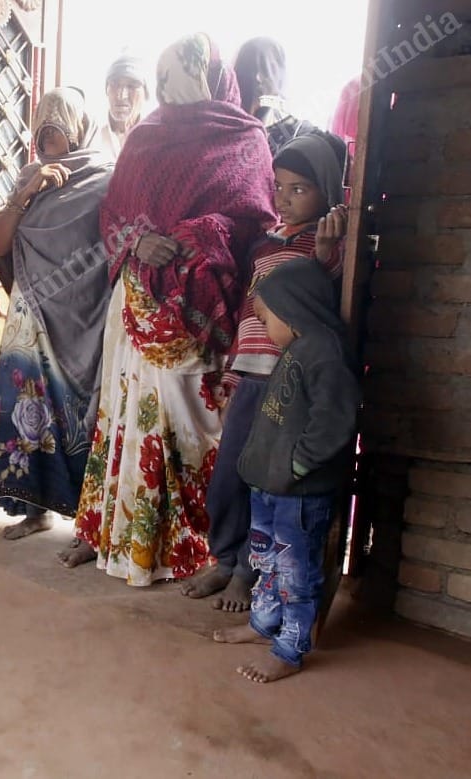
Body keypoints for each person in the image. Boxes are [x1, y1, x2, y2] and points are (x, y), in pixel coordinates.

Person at [62, 33, 277, 583]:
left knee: (189, 419)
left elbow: (256, 221)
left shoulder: (244, 138)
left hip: (199, 304)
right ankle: (113, 534)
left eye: (177, 74)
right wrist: (138, 241)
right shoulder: (145, 137)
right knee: (125, 411)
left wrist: (199, 234)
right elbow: (113, 213)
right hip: (137, 301)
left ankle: (191, 546)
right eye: (163, 76)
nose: (166, 86)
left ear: (210, 74)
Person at [181, 131, 349, 610]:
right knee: (229, 475)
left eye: (300, 188)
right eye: (279, 186)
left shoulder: (328, 246)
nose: (284, 197)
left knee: (267, 482)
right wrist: (232, 375)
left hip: (287, 381)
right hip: (250, 375)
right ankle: (224, 559)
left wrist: (325, 252)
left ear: (326, 192)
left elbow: (324, 302)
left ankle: (247, 573)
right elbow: (246, 314)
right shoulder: (265, 245)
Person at [0, 87, 114, 540]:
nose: (48, 139)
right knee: (26, 419)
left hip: (84, 324)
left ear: (80, 129)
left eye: (59, 129)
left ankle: (89, 526)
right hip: (31, 321)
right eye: (42, 130)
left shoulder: (108, 178)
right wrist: (27, 193)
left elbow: (112, 250)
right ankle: (36, 512)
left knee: (84, 421)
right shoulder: (31, 178)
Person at [212, 257, 361, 683]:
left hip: (299, 492)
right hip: (271, 486)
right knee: (267, 562)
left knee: (295, 573)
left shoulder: (326, 354)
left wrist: (296, 466)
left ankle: (290, 650)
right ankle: (263, 626)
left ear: (294, 312)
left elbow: (333, 423)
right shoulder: (297, 350)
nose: (264, 328)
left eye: (267, 318)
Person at [233, 37, 316, 155]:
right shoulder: (229, 127)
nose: (258, 78)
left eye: (266, 69)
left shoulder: (298, 133)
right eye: (249, 69)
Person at [95, 54, 149, 161]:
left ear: (146, 94)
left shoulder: (157, 137)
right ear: (106, 90)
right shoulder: (91, 135)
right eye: (114, 84)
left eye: (131, 86)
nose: (121, 95)